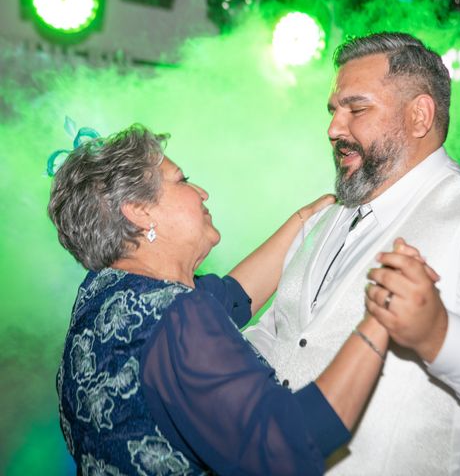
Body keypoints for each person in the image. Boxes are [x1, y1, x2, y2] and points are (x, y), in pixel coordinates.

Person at [244, 32, 460, 475]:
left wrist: (438, 335)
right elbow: (283, 340)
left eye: (357, 108)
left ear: (419, 115)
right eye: (333, 111)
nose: (333, 128)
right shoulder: (322, 222)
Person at [48, 123, 420, 475]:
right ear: (139, 211)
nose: (201, 193)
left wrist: (305, 221)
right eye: (182, 180)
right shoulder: (177, 317)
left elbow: (232, 298)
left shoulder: (103, 298)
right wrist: (378, 320)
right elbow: (284, 445)